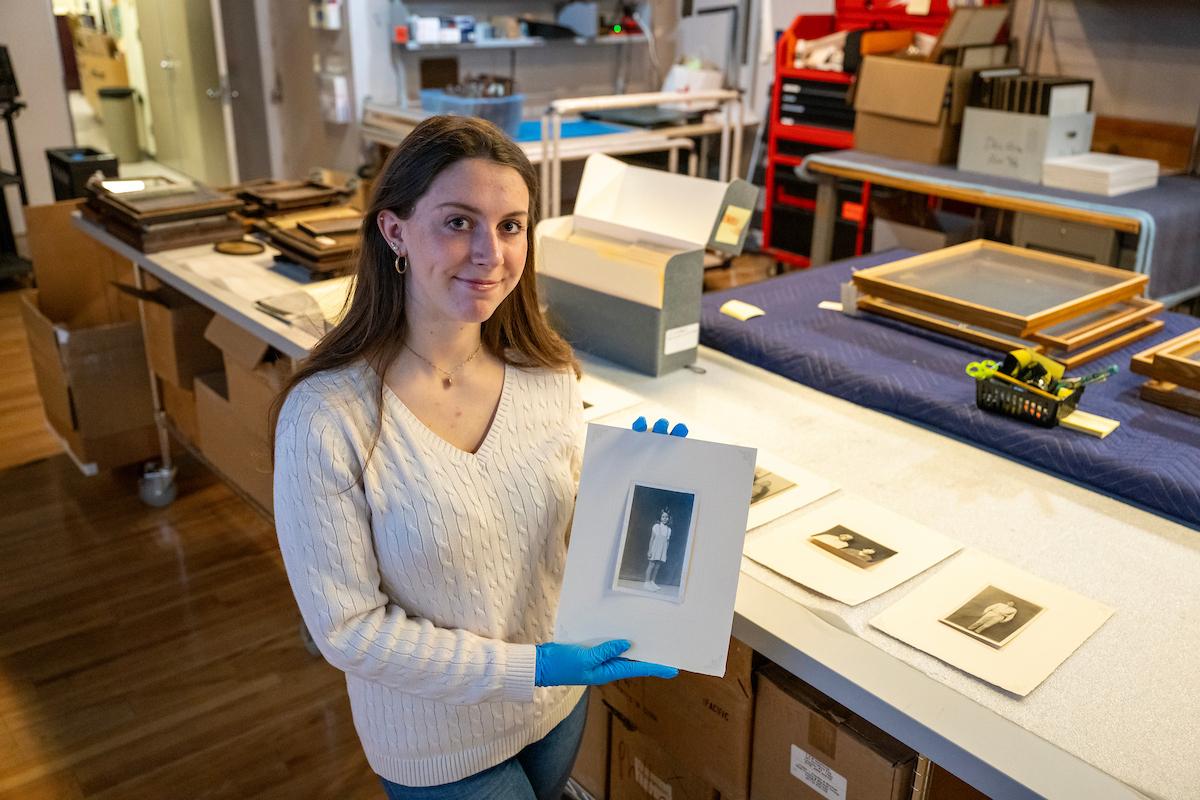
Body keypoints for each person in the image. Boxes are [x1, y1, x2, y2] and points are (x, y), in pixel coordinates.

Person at [270, 115, 681, 800]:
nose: (491, 253)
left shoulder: (547, 376)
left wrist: (635, 496)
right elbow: (350, 631)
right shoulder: (328, 418)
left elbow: (553, 534)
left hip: (556, 706)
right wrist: (534, 667)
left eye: (512, 225)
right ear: (394, 231)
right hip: (438, 740)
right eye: (459, 222)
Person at [643, 509, 672, 589]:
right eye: (663, 517)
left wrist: (665, 552)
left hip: (662, 550)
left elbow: (667, 541)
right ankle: (646, 582)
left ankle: (652, 582)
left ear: (669, 518)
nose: (665, 519)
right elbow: (652, 539)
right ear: (660, 517)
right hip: (655, 549)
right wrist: (649, 550)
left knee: (657, 566)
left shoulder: (668, 530)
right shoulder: (656, 526)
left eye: (666, 517)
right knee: (651, 565)